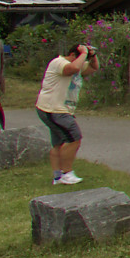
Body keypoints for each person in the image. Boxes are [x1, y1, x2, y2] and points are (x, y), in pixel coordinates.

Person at [35, 43, 96, 185]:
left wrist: (92, 56)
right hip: (53, 109)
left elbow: (93, 68)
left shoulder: (76, 64)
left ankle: (57, 177)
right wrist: (83, 54)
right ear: (73, 55)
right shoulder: (58, 62)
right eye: (81, 57)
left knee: (59, 143)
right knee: (74, 138)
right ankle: (66, 173)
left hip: (59, 109)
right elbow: (73, 68)